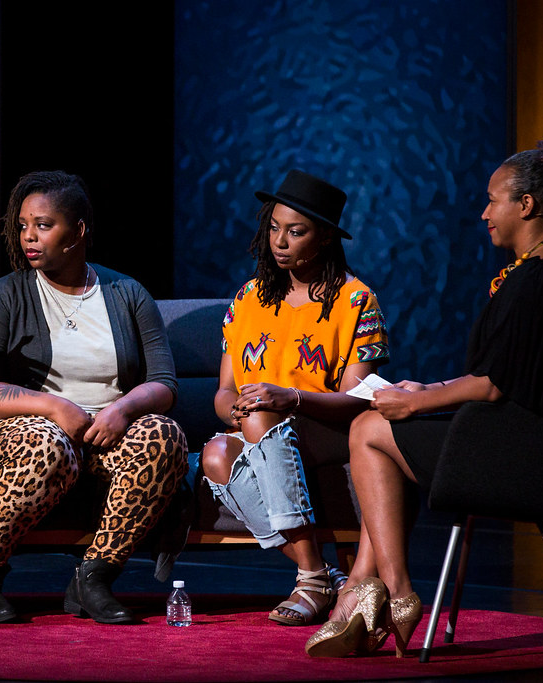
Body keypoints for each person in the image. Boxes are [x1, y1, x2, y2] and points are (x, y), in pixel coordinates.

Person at [305, 131, 543, 658]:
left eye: (493, 199)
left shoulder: (540, 279)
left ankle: (390, 589)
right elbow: (508, 371)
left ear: (526, 204)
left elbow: (495, 384)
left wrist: (416, 403)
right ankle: (364, 586)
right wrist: (429, 389)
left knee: (369, 429)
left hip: (534, 455)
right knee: (376, 429)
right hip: (538, 439)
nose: (484, 211)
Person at [0, 170, 189, 624]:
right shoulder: (6, 294)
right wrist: (55, 407)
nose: (28, 237)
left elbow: (165, 382)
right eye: (23, 225)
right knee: (48, 444)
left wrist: (123, 409)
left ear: (77, 230)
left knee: (165, 436)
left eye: (43, 225)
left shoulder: (126, 293)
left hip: (106, 434)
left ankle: (93, 577)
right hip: (25, 432)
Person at [199, 170, 390, 626]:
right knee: (213, 457)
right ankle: (318, 574)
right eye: (273, 228)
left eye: (296, 231)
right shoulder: (247, 299)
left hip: (326, 429)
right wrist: (235, 409)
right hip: (256, 425)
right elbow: (224, 391)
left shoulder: (357, 301)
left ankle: (309, 583)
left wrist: (290, 399)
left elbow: (359, 398)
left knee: (262, 415)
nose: (280, 241)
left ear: (324, 237)